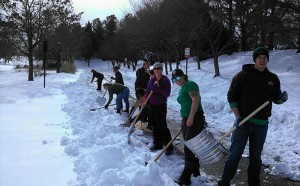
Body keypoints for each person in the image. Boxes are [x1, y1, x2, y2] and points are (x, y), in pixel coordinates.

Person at [218, 46, 288, 186]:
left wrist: (281, 98)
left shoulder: (272, 78)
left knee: (256, 158)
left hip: (261, 125)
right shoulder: (243, 75)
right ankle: (224, 182)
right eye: (259, 58)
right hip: (242, 122)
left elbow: (275, 98)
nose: (262, 60)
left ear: (267, 60)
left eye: (264, 58)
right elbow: (232, 96)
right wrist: (237, 117)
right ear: (254, 59)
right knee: (234, 155)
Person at [171, 68, 206, 185]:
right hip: (186, 118)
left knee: (188, 146)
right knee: (189, 144)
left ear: (183, 76)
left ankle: (186, 175)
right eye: (174, 79)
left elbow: (195, 100)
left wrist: (191, 117)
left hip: (195, 118)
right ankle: (195, 168)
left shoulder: (190, 84)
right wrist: (186, 118)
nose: (177, 81)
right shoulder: (182, 88)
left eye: (178, 78)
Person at [144, 62, 173, 155]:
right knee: (154, 125)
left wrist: (159, 88)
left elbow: (167, 94)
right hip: (152, 105)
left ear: (161, 70)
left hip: (161, 106)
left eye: (158, 68)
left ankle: (169, 147)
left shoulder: (165, 80)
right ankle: (158, 144)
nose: (156, 70)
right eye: (155, 68)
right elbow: (148, 91)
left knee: (162, 126)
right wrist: (145, 101)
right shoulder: (151, 80)